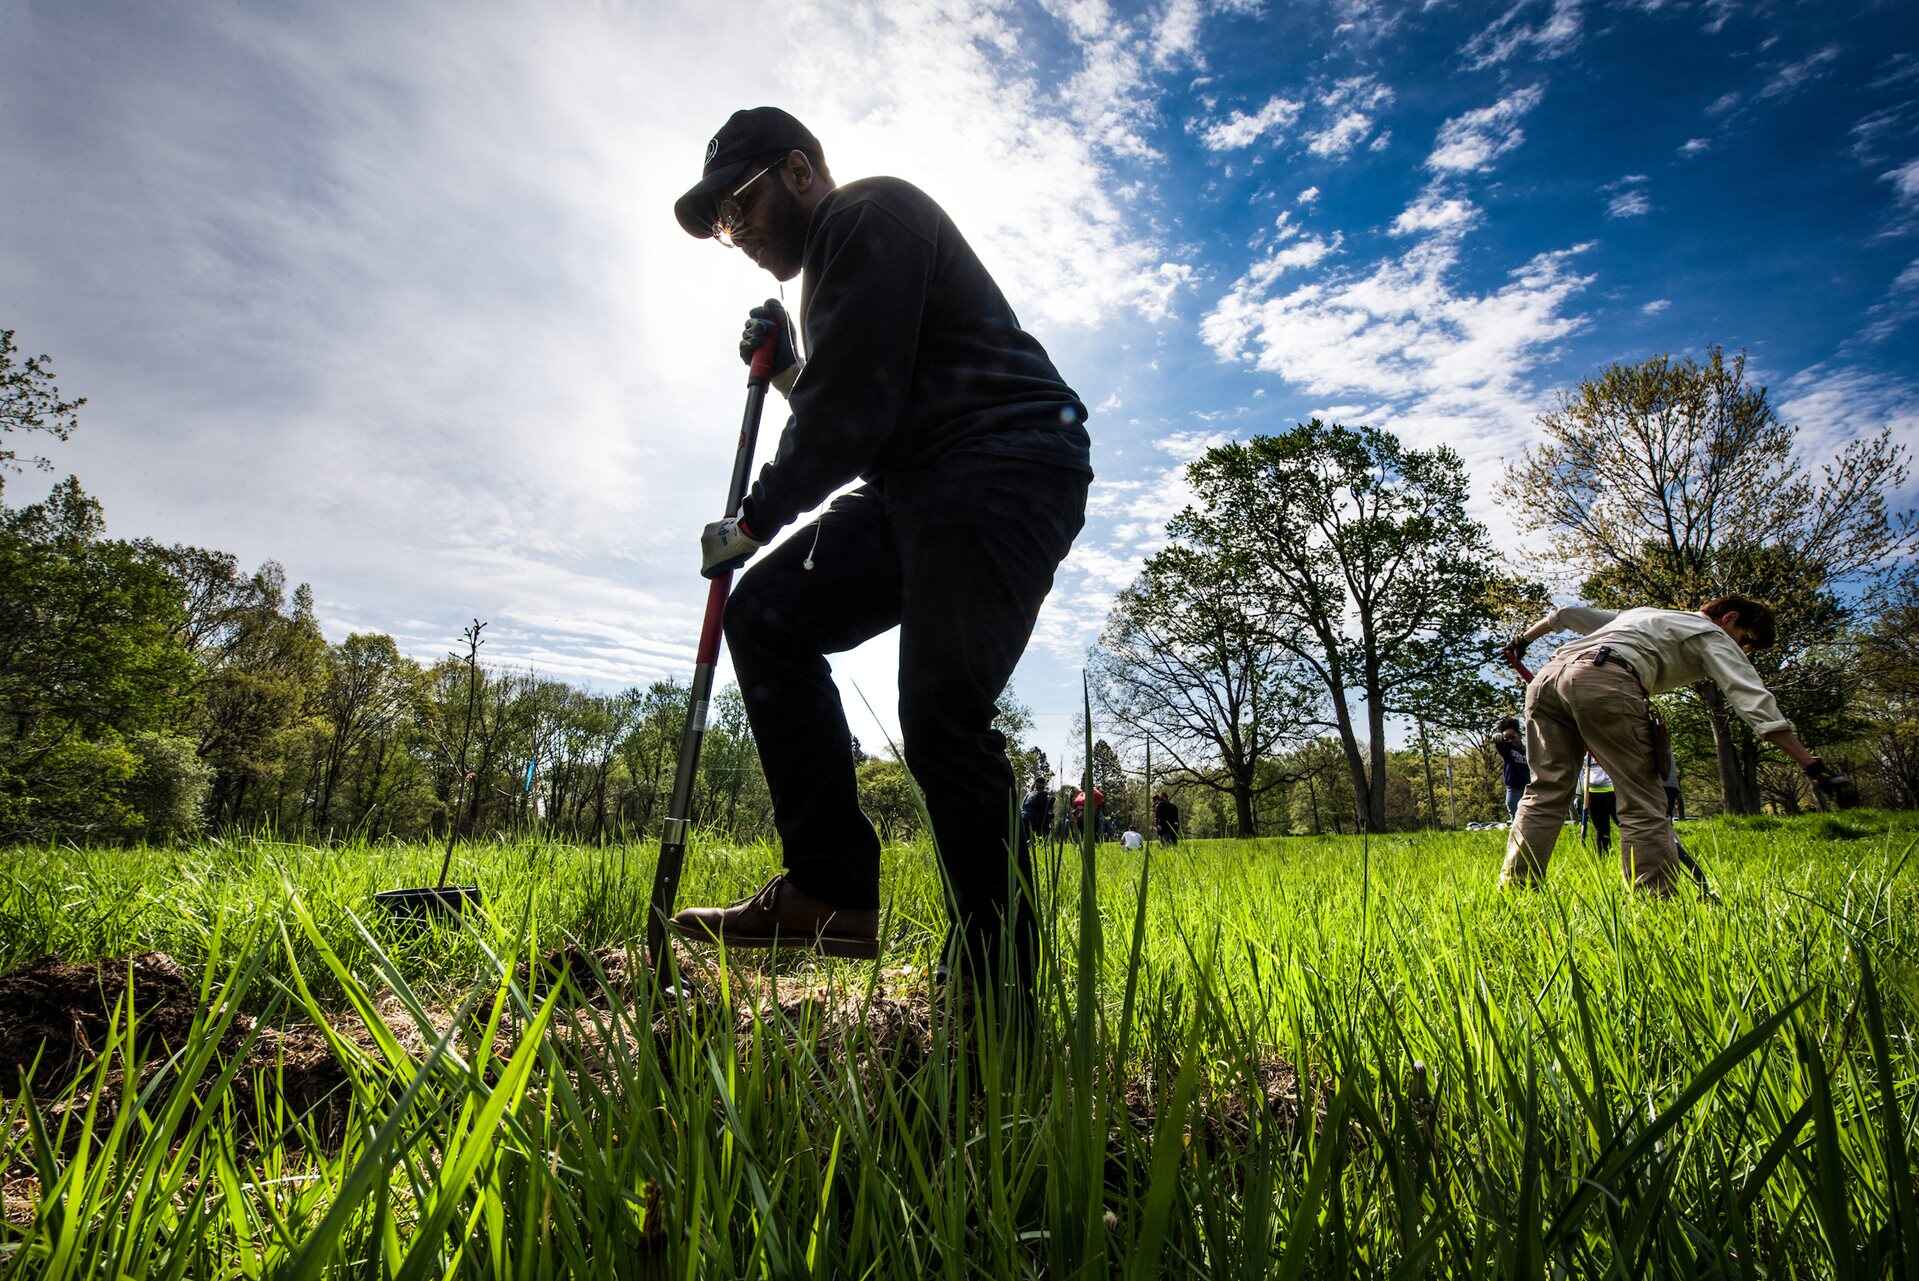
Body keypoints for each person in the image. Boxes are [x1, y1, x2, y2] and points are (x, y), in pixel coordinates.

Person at [666, 108, 1093, 1007]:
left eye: (737, 207)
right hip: (916, 481)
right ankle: (829, 892)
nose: (732, 234)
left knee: (940, 711)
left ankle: (996, 984)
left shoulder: (869, 212)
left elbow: (853, 414)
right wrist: (788, 371)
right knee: (768, 617)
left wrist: (754, 518)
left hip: (1003, 462)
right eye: (717, 226)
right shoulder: (834, 267)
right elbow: (863, 406)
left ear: (797, 169)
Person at [1498, 593, 1838, 894]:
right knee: (1642, 798)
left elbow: (1566, 614)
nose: (1742, 651)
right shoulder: (1709, 632)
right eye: (1744, 641)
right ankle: (1655, 901)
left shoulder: (1642, 614)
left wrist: (1522, 641)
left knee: (1544, 791)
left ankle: (1516, 890)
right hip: (1605, 677)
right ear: (1729, 618)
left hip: (1545, 681)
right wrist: (1809, 763)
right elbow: (1753, 699)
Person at [1493, 718, 1529, 820]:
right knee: (1516, 816)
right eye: (1506, 738)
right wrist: (1498, 738)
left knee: (1529, 815)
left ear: (1519, 735)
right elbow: (1499, 743)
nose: (1510, 740)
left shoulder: (1527, 750)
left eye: (1512, 737)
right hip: (1513, 789)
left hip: (1528, 788)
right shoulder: (1507, 750)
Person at [1582, 754, 1617, 857]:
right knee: (1601, 829)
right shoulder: (1583, 746)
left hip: (1612, 790)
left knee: (1623, 823)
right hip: (1591, 792)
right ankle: (1604, 858)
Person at [1020, 777, 1053, 850]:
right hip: (1033, 820)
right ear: (1044, 785)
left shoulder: (1028, 794)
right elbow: (1044, 811)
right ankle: (1041, 848)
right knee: (1043, 831)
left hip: (1023, 818)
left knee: (1026, 840)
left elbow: (1023, 807)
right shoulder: (1043, 795)